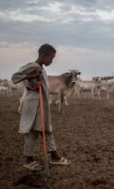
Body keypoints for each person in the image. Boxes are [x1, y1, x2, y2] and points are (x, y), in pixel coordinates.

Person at [12, 43, 71, 171]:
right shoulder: (33, 66)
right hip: (33, 105)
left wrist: (31, 83)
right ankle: (28, 159)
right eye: (50, 58)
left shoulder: (41, 67)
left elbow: (31, 84)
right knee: (32, 131)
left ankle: (54, 155)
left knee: (46, 129)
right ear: (43, 55)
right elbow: (15, 77)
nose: (51, 61)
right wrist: (31, 76)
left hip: (42, 104)